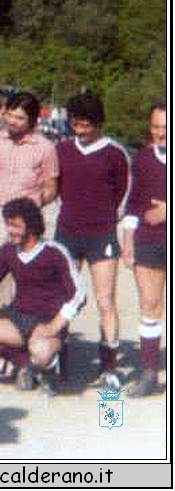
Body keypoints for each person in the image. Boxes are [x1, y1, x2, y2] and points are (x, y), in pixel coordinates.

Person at [0, 198, 85, 397]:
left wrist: (54, 326)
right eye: (8, 224)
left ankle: (49, 368)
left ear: (31, 226)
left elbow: (79, 294)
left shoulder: (54, 252)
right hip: (19, 319)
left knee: (41, 350)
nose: (10, 230)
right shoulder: (8, 250)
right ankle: (24, 367)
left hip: (46, 322)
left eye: (16, 226)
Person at [53, 91, 130, 390]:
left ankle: (109, 367)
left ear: (98, 123)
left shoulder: (115, 153)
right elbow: (55, 187)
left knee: (105, 300)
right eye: (75, 123)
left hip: (102, 234)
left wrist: (108, 220)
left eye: (86, 124)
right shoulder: (61, 150)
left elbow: (124, 194)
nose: (80, 130)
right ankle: (59, 360)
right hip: (67, 232)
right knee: (64, 297)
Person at [0, 90, 59, 306]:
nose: (13, 121)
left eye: (20, 118)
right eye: (10, 115)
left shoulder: (45, 148)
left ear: (33, 120)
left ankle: (18, 327)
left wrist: (33, 205)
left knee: (22, 273)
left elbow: (51, 187)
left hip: (27, 219)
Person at [121, 102, 166, 397]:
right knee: (150, 304)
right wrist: (127, 240)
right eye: (155, 127)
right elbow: (134, 203)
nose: (160, 133)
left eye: (166, 127)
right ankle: (150, 373)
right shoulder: (141, 159)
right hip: (149, 239)